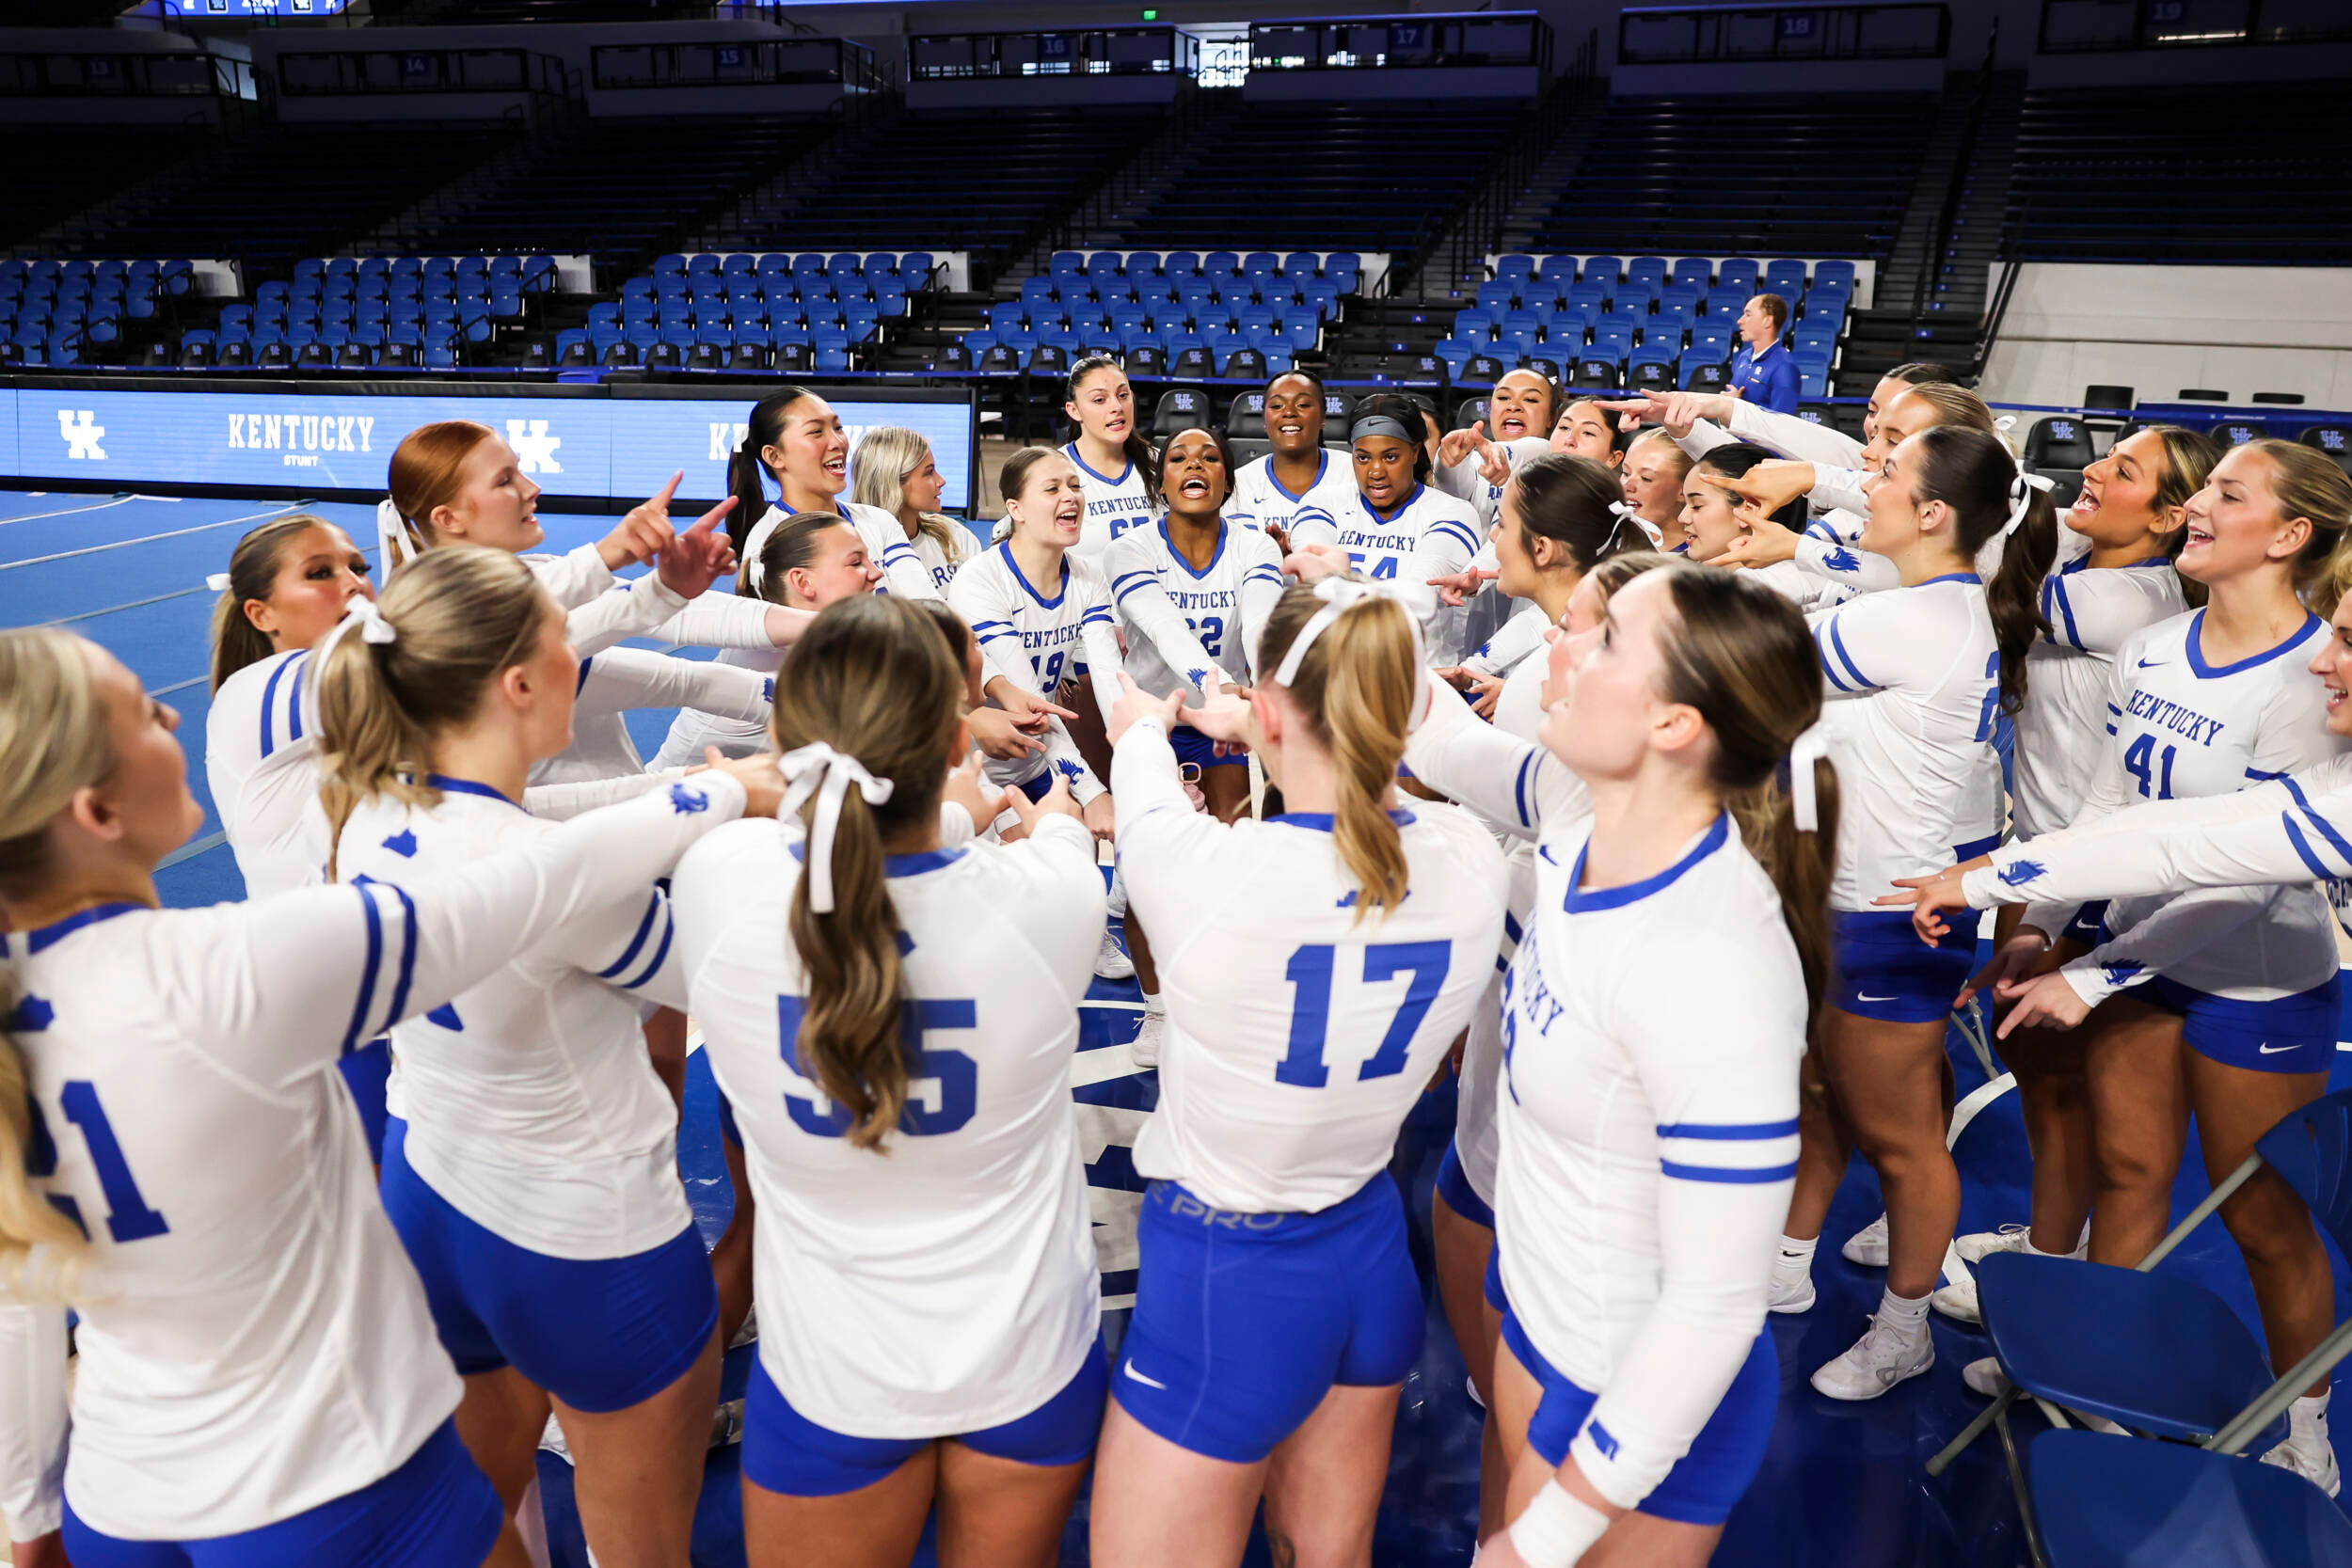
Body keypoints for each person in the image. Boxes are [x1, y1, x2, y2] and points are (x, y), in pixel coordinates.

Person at [0, 624, 778, 1568]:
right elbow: (530, 884)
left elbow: (18, 1302)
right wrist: (729, 788)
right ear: (96, 810)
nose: (174, 713)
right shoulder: (226, 972)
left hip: (118, 1499)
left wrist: (29, 1514)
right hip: (325, 1489)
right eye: (143, 713)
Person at [1889, 440, 2352, 1489]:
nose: (2198, 508)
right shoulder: (2150, 644)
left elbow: (2235, 871)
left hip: (2252, 976)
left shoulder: (2309, 675)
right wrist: (2042, 924)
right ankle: (2093, 1376)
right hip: (2137, 946)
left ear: (2287, 536)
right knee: (2128, 1171)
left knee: (2260, 1216)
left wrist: (2092, 969)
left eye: (2227, 496)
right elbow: (2110, 814)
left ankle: (2305, 1421)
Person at [317, 547, 747, 1565]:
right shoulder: (564, 885)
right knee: (641, 1549)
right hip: (587, 1238)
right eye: (568, 636)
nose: (582, 652)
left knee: (466, 1525)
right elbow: (736, 977)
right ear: (518, 681)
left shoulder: (364, 806)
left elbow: (536, 834)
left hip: (431, 1197)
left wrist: (702, 794)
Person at [1402, 562, 1830, 1568]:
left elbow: (1716, 1304)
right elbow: (1438, 729)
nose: (1560, 647)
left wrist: (1544, 1537)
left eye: (1600, 641)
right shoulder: (1575, 825)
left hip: (1634, 1395)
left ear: (1673, 725)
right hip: (1535, 1311)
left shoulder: (1711, 963)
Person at [671, 594, 1106, 1568]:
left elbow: (807, 830)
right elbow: (1033, 839)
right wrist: (1038, 818)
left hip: (833, 1375)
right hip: (1026, 1358)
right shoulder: (1052, 900)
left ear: (783, 736)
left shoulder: (721, 881)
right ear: (958, 737)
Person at [1088, 582, 1507, 1568]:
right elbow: (1386, 796)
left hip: (1226, 1283)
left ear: (1269, 710)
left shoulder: (1208, 875)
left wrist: (1181, 722)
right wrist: (1277, 722)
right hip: (1364, 1255)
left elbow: (1133, 739)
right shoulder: (1470, 860)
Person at [1771, 425, 2055, 1401]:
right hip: (1864, 898)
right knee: (1823, 1098)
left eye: (1885, 473)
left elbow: (1743, 665)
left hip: (1889, 911)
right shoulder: (1932, 606)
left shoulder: (1911, 619)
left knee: (1899, 1140)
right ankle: (1789, 1258)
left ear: (1933, 512)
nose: (1866, 483)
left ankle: (1903, 1329)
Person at [1922, 424, 2216, 1331]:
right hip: (2048, 852)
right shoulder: (2091, 569)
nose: (2094, 468)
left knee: (2094, 1108)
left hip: (2095, 873)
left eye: (2123, 469)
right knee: (2041, 1072)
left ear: (2171, 517)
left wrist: (1975, 487)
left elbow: (1988, 586)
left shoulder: (2135, 597)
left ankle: (2079, 1303)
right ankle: (2052, 1246)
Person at [1100, 428, 1288, 1067]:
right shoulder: (1129, 548)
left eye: (1210, 456)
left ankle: (1218, 993)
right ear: (1161, 480)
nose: (1194, 465)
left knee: (1232, 848)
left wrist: (1261, 687)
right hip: (1152, 721)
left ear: (1228, 479)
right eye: (1178, 457)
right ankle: (1157, 1011)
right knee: (1144, 873)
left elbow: (1263, 620)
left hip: (1222, 719)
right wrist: (1217, 683)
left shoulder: (1255, 544)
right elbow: (1162, 624)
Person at [945, 448, 1122, 847]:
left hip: (1036, 760)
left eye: (1075, 486)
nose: (1070, 496)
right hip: (972, 767)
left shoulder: (1088, 578)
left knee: (1076, 839)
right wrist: (1093, 792)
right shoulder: (981, 580)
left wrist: (1135, 758)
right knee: (1039, 847)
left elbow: (1109, 679)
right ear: (1016, 509)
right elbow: (1026, 700)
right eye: (1052, 488)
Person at [650, 512, 884, 768]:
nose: (876, 572)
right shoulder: (762, 659)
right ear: (803, 581)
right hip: (673, 802)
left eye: (869, 559)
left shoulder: (823, 644)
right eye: (855, 563)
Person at [727, 387, 942, 602]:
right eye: (816, 432)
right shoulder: (765, 545)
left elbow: (927, 605)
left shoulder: (878, 521)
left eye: (838, 428)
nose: (837, 442)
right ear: (774, 456)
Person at [1334, 393, 1486, 664]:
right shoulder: (1325, 503)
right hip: (1337, 678)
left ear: (1415, 452)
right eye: (1363, 458)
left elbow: (1418, 593)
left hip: (1419, 683)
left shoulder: (1454, 512)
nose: (1376, 471)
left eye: (1390, 457)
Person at [1228, 369, 1358, 549]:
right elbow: (1239, 556)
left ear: (1323, 418)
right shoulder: (1240, 484)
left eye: (1303, 405)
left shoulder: (1354, 472)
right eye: (1276, 406)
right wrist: (1271, 554)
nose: (1289, 412)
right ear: (1264, 421)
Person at [847, 424, 977, 594]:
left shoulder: (954, 535)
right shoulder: (854, 556)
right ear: (894, 483)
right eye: (929, 472)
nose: (941, 481)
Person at [1060, 355, 1161, 562]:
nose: (1117, 407)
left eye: (1123, 395)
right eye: (1099, 400)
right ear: (1074, 410)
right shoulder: (1052, 470)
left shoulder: (1161, 463)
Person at [1619, 430, 1693, 552]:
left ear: (1684, 490)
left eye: (1646, 478)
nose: (1627, 486)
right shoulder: (1604, 541)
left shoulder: (1702, 560)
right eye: (1626, 473)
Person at [1727, 293, 1800, 415]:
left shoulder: (1785, 367)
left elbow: (1780, 423)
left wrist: (1738, 406)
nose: (1740, 321)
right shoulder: (1743, 357)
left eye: (1748, 315)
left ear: (1767, 321)